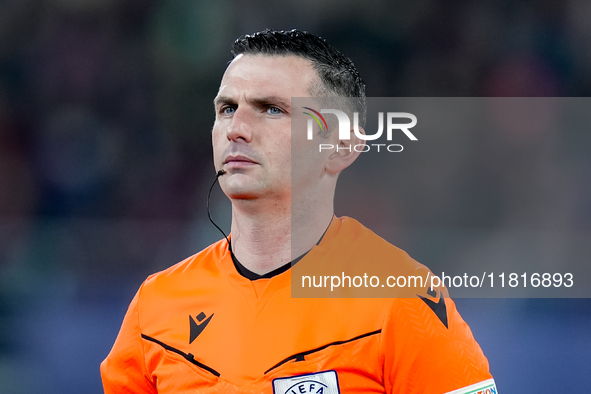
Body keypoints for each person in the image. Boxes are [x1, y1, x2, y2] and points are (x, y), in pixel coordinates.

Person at [101, 29, 496, 394]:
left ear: (342, 147)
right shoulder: (156, 306)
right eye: (226, 108)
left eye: (271, 109)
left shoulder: (400, 299)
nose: (237, 128)